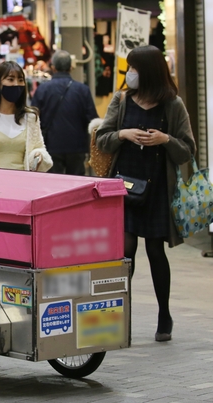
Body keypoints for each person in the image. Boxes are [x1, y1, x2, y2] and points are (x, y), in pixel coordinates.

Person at [95, 45, 196, 342]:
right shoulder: (122, 100)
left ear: (149, 71)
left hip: (157, 190)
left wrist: (165, 139)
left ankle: (164, 315)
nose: (130, 74)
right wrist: (123, 134)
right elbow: (102, 139)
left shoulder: (172, 105)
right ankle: (118, 315)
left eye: (135, 68)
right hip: (123, 186)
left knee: (155, 250)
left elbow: (188, 150)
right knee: (125, 252)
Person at [32, 50, 98, 175]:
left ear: (53, 67)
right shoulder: (83, 90)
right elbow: (92, 119)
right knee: (76, 185)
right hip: (77, 146)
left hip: (50, 145)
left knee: (53, 186)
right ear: (71, 67)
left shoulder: (43, 89)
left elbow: (33, 118)